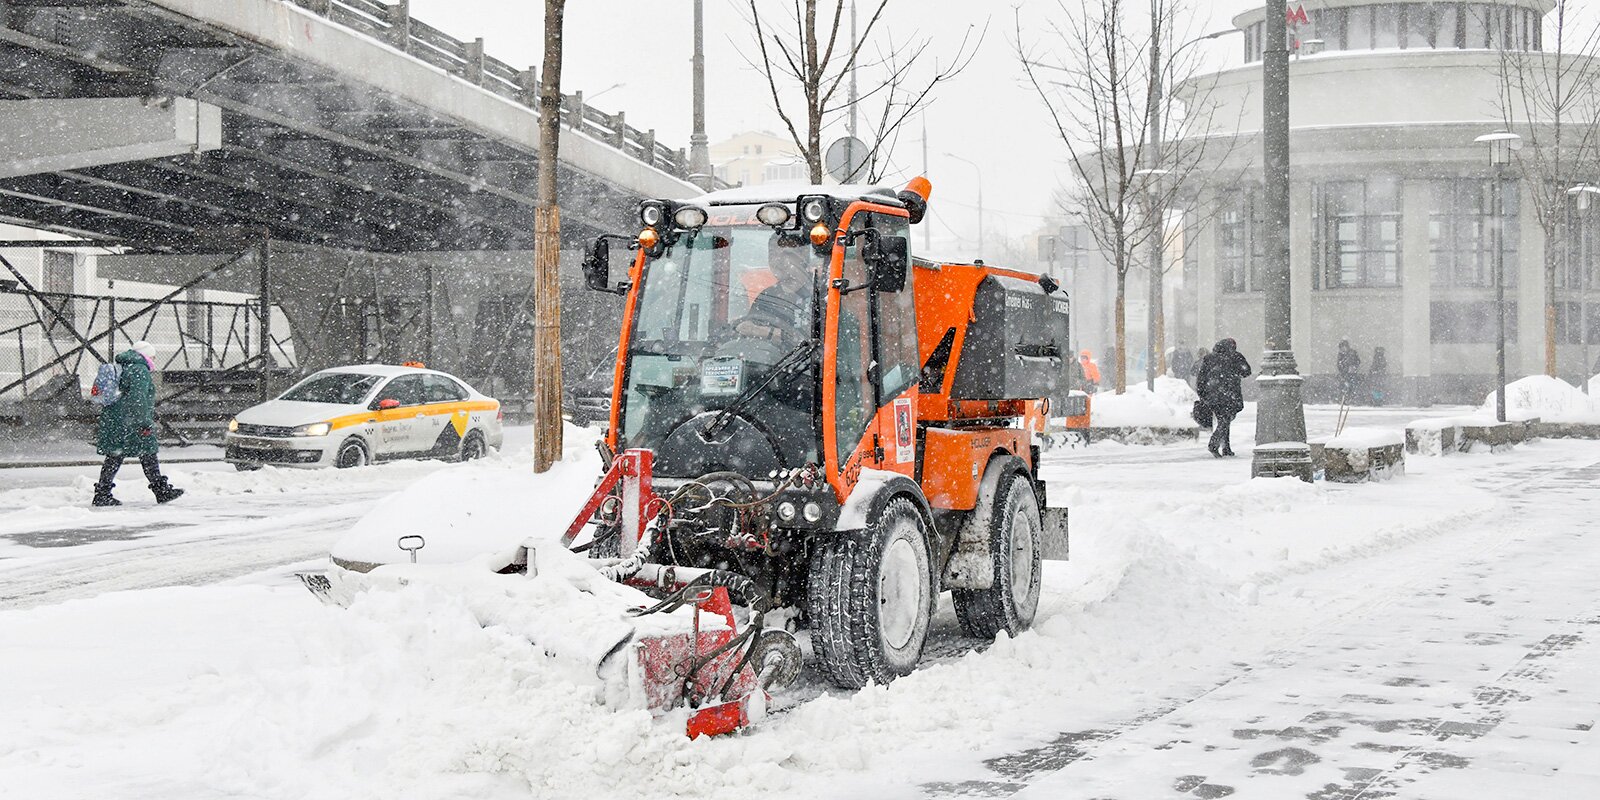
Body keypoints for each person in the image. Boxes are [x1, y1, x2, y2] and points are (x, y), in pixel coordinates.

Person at [93, 341, 184, 507]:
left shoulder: (126, 365)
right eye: (153, 356)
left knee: (116, 455)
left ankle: (102, 493)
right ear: (146, 355)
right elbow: (138, 399)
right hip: (131, 421)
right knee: (147, 452)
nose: (154, 359)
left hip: (117, 419)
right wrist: (143, 422)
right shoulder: (139, 369)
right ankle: (160, 491)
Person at [733, 245, 813, 346]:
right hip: (774, 359)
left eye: (785, 254)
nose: (777, 260)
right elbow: (751, 324)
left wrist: (771, 333)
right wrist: (742, 326)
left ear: (802, 257)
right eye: (772, 254)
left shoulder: (820, 293)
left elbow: (815, 342)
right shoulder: (769, 294)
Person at [1196, 337, 1251, 457]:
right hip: (1230, 394)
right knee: (1225, 420)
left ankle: (1226, 448)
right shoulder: (1235, 357)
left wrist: (1202, 393)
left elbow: (1201, 377)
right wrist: (1236, 372)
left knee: (1223, 419)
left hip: (1212, 395)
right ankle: (1214, 444)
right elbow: (1247, 371)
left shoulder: (1209, 358)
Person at [1336, 339, 1361, 404]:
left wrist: (1353, 366)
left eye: (1343, 346)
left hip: (1351, 373)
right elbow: (1339, 364)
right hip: (1345, 374)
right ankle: (1346, 399)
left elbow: (1358, 361)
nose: (1343, 348)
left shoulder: (1351, 353)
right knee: (1346, 387)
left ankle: (1350, 399)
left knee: (1351, 387)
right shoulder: (1341, 354)